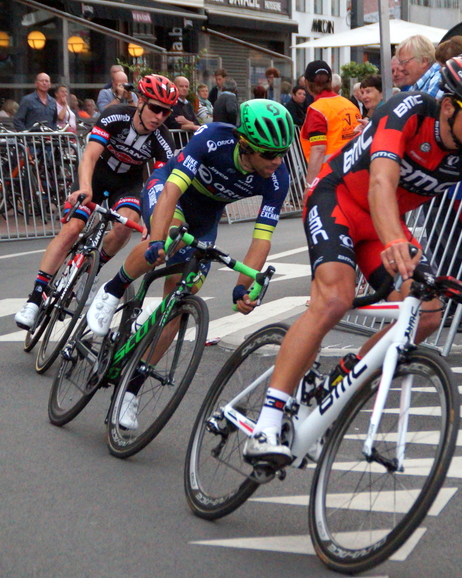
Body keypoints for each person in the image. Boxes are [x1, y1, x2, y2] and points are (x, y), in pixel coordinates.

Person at [242, 53, 462, 463]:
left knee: (428, 310)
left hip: (382, 226)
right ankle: (267, 423)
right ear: (449, 106)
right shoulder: (407, 111)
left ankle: (341, 381)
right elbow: (381, 181)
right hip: (338, 200)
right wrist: (396, 239)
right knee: (334, 299)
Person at [85, 101, 294, 428]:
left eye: (282, 152)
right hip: (170, 190)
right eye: (269, 154)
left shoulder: (277, 178)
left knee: (181, 301)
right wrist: (156, 241)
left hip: (206, 217)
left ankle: (130, 391)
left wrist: (243, 287)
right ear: (245, 144)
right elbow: (171, 191)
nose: (277, 161)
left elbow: (261, 239)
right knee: (172, 238)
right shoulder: (212, 138)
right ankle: (113, 290)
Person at [15, 75, 178, 330]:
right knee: (72, 229)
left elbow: (161, 185)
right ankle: (35, 298)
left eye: (166, 112)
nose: (159, 116)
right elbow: (90, 156)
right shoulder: (116, 115)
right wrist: (85, 190)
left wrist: (153, 220)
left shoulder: (163, 139)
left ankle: (93, 269)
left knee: (126, 224)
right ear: (141, 102)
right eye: (155, 108)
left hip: (128, 184)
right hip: (96, 175)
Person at [300, 60, 361, 186]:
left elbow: (318, 149)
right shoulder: (349, 104)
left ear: (306, 83)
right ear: (331, 82)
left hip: (329, 178)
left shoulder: (317, 110)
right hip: (355, 172)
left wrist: (309, 185)